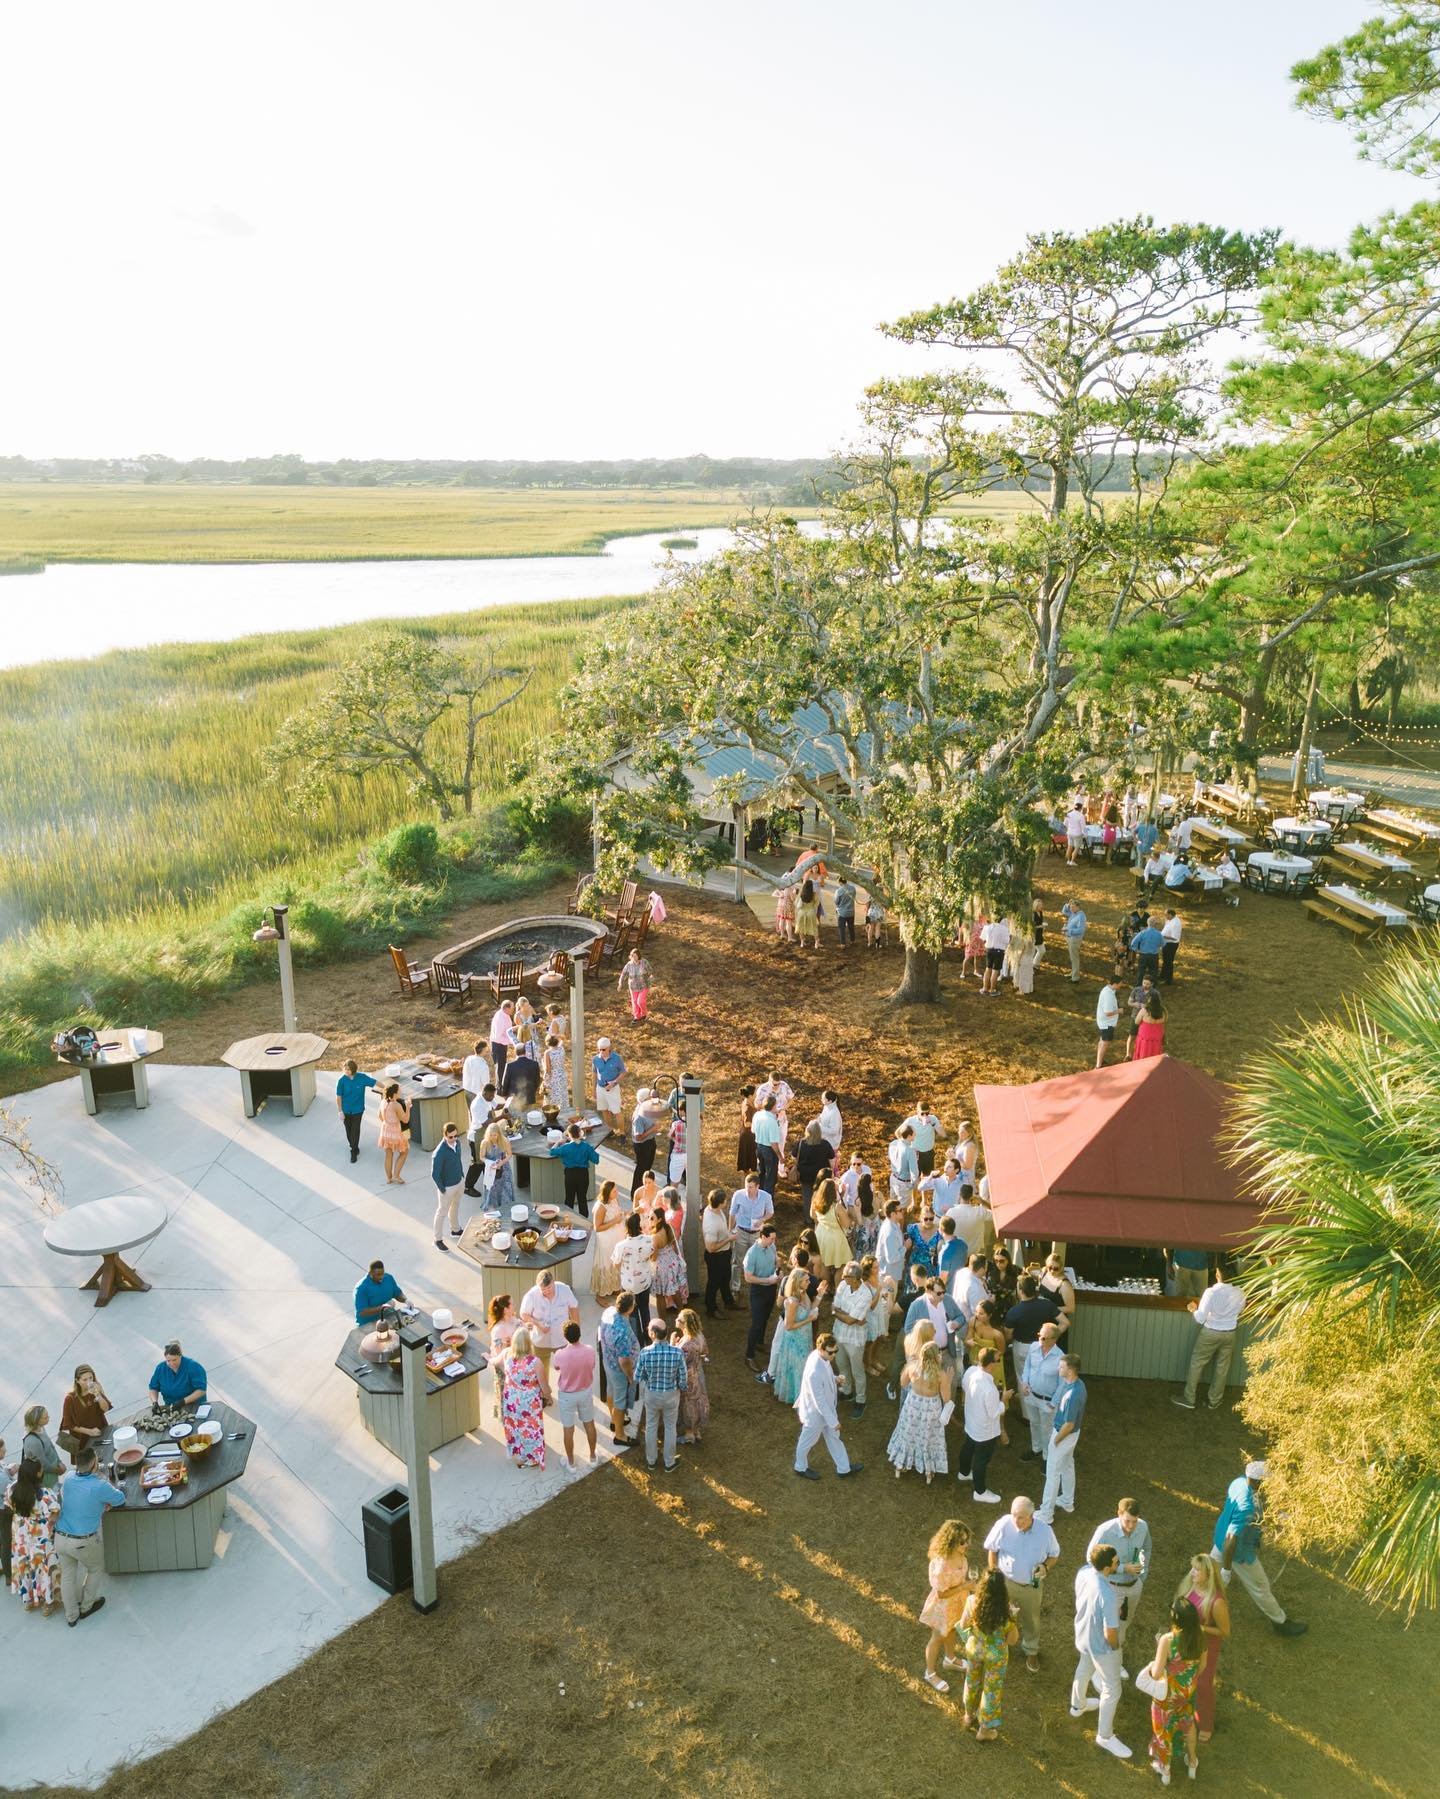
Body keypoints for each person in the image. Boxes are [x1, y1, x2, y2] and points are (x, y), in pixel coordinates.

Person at [1211, 1460, 1307, 1635]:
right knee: (1260, 1586)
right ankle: (1280, 1622)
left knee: (1205, 1573)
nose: (1271, 1485)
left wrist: (1279, 1516)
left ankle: (1186, 1600)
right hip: (1237, 1551)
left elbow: (1261, 1506)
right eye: (1267, 1482)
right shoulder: (1246, 1507)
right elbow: (1231, 1538)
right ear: (1257, 1482)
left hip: (1220, 1538)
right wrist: (1227, 1569)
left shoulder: (1239, 1482)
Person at [985, 1497, 1060, 1673]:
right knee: (1000, 1613)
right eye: (1014, 1516)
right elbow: (992, 1549)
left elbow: (1054, 1554)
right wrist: (993, 1575)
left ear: (1031, 1516)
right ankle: (999, 1644)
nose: (1016, 1521)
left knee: (1031, 1619)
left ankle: (1031, 1650)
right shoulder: (1004, 1524)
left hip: (1031, 1586)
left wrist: (1046, 1567)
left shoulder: (1045, 1531)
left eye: (1021, 1518)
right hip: (1006, 1582)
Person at [53, 1447, 126, 1626]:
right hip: (82, 1541)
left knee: (68, 1576)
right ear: (94, 1463)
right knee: (94, 1569)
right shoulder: (99, 1485)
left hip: (60, 1538)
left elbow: (76, 1501)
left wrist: (99, 1506)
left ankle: (71, 1616)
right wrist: (103, 1503)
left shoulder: (69, 1478)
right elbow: (120, 1499)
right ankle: (86, 1607)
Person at [1071, 1543, 1132, 1760]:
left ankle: (1077, 1705)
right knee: (1112, 1689)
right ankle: (1105, 1736)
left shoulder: (1084, 1571)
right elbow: (1111, 1633)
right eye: (1116, 1562)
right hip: (1102, 1646)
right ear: (1107, 1568)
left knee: (1084, 1667)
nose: (1118, 1564)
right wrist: (1115, 1650)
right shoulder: (1107, 1594)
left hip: (1083, 1634)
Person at [1088, 1497, 1152, 1669]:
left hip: (1134, 1586)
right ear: (1119, 1514)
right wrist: (1123, 1568)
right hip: (1112, 1588)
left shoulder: (1143, 1527)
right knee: (1109, 1626)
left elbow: (1147, 1547)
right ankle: (1100, 1666)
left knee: (1124, 1623)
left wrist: (1142, 1573)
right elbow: (1091, 1559)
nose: (1131, 1526)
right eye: (1127, 1521)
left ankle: (1114, 1658)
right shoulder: (1105, 1531)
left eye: (1135, 1521)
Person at [1146, 1598, 1204, 1784]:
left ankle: (1165, 1769)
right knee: (1188, 1724)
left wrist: (1154, 1661)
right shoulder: (1201, 1636)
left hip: (1167, 1693)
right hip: (1187, 1691)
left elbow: (1155, 1674)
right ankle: (1193, 1761)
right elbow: (1201, 1667)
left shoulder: (1168, 1640)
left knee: (1162, 1728)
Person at [960, 1567, 1021, 1740]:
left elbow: (964, 1624)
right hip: (996, 1655)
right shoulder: (1006, 1612)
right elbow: (1012, 1640)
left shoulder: (972, 1601)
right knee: (991, 1690)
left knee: (972, 1680)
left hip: (974, 1649)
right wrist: (1014, 1619)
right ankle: (984, 1730)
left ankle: (968, 1716)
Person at [1174, 1268, 1245, 1411]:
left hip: (1211, 1332)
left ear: (1218, 1275)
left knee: (1197, 1363)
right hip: (1230, 1333)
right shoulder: (1241, 1292)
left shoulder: (1211, 1292)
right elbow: (1240, 1311)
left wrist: (1194, 1308)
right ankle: (1214, 1401)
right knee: (1222, 1368)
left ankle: (1189, 1398)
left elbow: (1200, 1318)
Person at [918, 1518, 975, 1693]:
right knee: (937, 1638)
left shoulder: (961, 1555)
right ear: (951, 1542)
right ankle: (930, 1673)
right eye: (962, 1542)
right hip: (943, 1606)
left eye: (967, 1540)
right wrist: (965, 1586)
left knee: (951, 1630)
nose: (966, 1545)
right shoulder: (941, 1564)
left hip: (958, 1601)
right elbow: (942, 1593)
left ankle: (950, 1659)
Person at [794, 1334, 861, 1480]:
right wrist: (833, 1422)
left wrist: (835, 1379)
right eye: (831, 1352)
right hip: (815, 1415)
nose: (834, 1355)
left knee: (835, 1439)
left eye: (835, 1351)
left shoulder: (822, 1358)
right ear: (821, 1350)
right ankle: (800, 1467)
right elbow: (820, 1402)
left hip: (826, 1412)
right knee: (807, 1441)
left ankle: (844, 1468)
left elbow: (826, 1378)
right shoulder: (814, 1371)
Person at [1179, 1551, 1231, 1741]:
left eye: (1197, 1570)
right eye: (1193, 1568)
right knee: (1185, 1680)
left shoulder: (1217, 1602)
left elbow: (1225, 1632)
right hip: (1188, 1642)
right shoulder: (1190, 1587)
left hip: (1206, 1647)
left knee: (1203, 1685)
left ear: (1208, 1575)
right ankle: (1186, 1714)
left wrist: (1200, 1627)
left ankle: (1206, 1724)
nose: (1192, 1573)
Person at [888, 1334, 950, 1483]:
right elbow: (947, 1399)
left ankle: (900, 1466)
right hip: (931, 1408)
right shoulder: (940, 1374)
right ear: (937, 1356)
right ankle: (928, 1471)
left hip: (913, 1404)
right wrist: (949, 1379)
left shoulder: (912, 1367)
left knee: (908, 1432)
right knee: (929, 1437)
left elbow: (903, 1384)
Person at [6, 1456, 60, 1615]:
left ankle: (29, 1600)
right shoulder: (44, 1495)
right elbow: (55, 1513)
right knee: (44, 1568)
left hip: (20, 1536)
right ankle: (48, 1603)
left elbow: (9, 1506)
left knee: (26, 1567)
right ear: (37, 1474)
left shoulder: (11, 1489)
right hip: (40, 1538)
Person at [634, 1318, 688, 1472]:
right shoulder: (677, 1352)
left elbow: (637, 1377)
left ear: (653, 1334)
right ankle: (669, 1462)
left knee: (651, 1426)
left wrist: (648, 1378)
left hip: (652, 1394)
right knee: (670, 1427)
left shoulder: (645, 1352)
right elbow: (683, 1377)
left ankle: (651, 1461)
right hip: (671, 1394)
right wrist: (681, 1387)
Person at [1038, 1354, 1086, 1524]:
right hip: (1071, 1436)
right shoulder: (1076, 1384)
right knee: (1067, 1466)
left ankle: (1046, 1514)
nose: (1058, 1369)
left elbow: (1069, 1424)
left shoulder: (1073, 1394)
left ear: (1070, 1370)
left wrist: (1056, 1440)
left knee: (1052, 1474)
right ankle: (1067, 1501)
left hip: (1064, 1435)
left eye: (1061, 1367)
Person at [957, 1347, 1008, 1503]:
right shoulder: (990, 1389)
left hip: (971, 1420)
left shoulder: (971, 1371)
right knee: (981, 1459)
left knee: (968, 1447)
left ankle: (964, 1472)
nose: (999, 1363)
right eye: (998, 1360)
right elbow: (994, 1413)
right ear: (991, 1364)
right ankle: (980, 1491)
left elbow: (965, 1387)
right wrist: (1004, 1400)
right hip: (985, 1429)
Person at [1004, 1274, 1066, 1402]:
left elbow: (1008, 1335)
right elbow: (1065, 1322)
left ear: (1020, 1291)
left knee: (1023, 1378)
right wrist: (1050, 1338)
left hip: (1022, 1346)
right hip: (1043, 1346)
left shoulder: (1014, 1311)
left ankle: (1028, 1416)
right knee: (1043, 1377)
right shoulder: (1047, 1305)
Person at [1016, 1319, 1065, 1468]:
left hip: (1047, 1401)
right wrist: (1024, 1383)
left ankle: (1047, 1457)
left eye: (1044, 1338)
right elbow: (1028, 1367)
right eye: (1039, 1335)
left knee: (1047, 1430)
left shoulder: (1060, 1358)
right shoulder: (1034, 1347)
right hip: (1031, 1396)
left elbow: (1063, 1385)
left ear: (1054, 1339)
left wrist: (1053, 1403)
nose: (1040, 1340)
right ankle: (1036, 1449)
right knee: (1034, 1424)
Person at [552, 1320, 598, 1473]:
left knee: (568, 1428)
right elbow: (592, 1366)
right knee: (589, 1424)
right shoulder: (590, 1350)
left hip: (566, 1395)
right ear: (580, 1334)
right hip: (585, 1392)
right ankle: (592, 1457)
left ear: (565, 1337)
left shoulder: (560, 1354)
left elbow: (556, 1367)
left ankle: (571, 1463)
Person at [500, 1327, 550, 1469]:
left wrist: (488, 1357)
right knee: (530, 1429)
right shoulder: (535, 1362)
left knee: (515, 1427)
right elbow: (544, 1387)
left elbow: (498, 1364)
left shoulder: (507, 1356)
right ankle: (532, 1459)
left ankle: (517, 1453)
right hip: (528, 1404)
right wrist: (549, 1396)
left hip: (511, 1401)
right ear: (529, 1343)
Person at [598, 1292, 640, 1448]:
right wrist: (630, 1376)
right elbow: (624, 1360)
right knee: (620, 1401)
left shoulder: (609, 1311)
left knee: (610, 1391)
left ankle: (614, 1420)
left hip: (608, 1362)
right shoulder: (621, 1331)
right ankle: (620, 1435)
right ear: (629, 1309)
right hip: (618, 1369)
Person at [519, 1268, 579, 1376]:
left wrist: (576, 1334)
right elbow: (523, 1314)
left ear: (553, 1282)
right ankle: (545, 1393)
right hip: (540, 1342)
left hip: (562, 1340)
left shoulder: (564, 1290)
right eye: (543, 1289)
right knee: (540, 1374)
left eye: (549, 1287)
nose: (546, 1291)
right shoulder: (532, 1295)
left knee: (567, 1372)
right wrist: (538, 1324)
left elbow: (573, 1308)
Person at [830, 1261, 871, 1415]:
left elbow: (850, 1320)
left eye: (846, 1276)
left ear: (856, 1278)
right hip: (839, 1334)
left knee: (857, 1370)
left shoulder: (865, 1294)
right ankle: (846, 1391)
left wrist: (839, 1314)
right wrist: (846, 1315)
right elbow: (835, 1307)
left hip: (855, 1339)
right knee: (841, 1365)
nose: (842, 1277)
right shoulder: (842, 1285)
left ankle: (861, 1400)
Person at [743, 1223, 782, 1372]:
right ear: (763, 1237)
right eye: (771, 1239)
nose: (774, 1241)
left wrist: (778, 1272)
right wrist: (767, 1281)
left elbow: (775, 1261)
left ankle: (759, 1342)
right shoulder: (752, 1254)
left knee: (765, 1318)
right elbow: (748, 1278)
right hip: (758, 1291)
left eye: (774, 1239)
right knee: (757, 1323)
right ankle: (749, 1355)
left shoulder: (771, 1246)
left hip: (771, 1288)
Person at [729, 1172, 774, 1298]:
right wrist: (730, 1230)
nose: (748, 1190)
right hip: (741, 1232)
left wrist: (762, 1219)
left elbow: (770, 1212)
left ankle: (757, 1287)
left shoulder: (766, 1197)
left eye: (751, 1187)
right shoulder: (738, 1195)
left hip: (756, 1234)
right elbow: (732, 1213)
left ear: (757, 1186)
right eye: (746, 1186)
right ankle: (735, 1288)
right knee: (737, 1261)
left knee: (757, 1260)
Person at [612, 1213, 655, 1337]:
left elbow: (616, 1264)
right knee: (645, 1309)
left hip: (628, 1286)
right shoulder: (649, 1239)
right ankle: (648, 1336)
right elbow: (651, 1255)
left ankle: (637, 1340)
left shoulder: (621, 1246)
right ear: (639, 1224)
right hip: (644, 1282)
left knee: (632, 1314)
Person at [548, 1122, 600, 1217]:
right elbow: (596, 1159)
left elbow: (552, 1152)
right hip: (583, 1175)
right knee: (582, 1199)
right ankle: (584, 1221)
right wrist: (589, 1150)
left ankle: (568, 1220)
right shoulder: (586, 1147)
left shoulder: (566, 1147)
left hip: (570, 1175)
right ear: (580, 1133)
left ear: (569, 1134)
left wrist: (558, 1142)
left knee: (569, 1199)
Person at [674, 1309, 710, 1445]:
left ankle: (689, 1433)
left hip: (688, 1378)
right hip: (698, 1373)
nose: (676, 1320)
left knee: (688, 1403)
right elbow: (705, 1353)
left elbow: (677, 1361)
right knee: (698, 1400)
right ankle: (696, 1430)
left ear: (685, 1325)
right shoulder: (700, 1336)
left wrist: (673, 1344)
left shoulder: (686, 1344)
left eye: (679, 1319)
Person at [59, 1365, 111, 1459]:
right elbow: (68, 1424)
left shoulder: (96, 1389)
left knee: (106, 1457)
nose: (89, 1382)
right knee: (87, 1463)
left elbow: (106, 1408)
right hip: (82, 1440)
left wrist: (98, 1394)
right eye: (85, 1379)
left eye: (91, 1378)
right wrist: (89, 1431)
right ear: (77, 1381)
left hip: (100, 1433)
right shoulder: (70, 1399)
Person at [430, 1120, 466, 1250]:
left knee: (455, 1206)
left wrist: (462, 1176)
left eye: (456, 1136)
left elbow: (458, 1159)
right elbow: (435, 1174)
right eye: (450, 1137)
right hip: (447, 1188)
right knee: (441, 1213)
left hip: (459, 1182)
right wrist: (442, 1189)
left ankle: (455, 1230)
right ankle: (437, 1239)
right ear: (444, 1135)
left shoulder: (458, 1144)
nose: (454, 1139)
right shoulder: (439, 1153)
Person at [700, 1187, 735, 1317]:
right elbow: (710, 1248)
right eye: (725, 1200)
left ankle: (728, 1301)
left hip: (724, 1254)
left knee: (726, 1278)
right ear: (719, 1203)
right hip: (716, 1257)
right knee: (714, 1283)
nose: (727, 1202)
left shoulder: (711, 1209)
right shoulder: (711, 1224)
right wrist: (729, 1239)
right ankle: (711, 1309)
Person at [811, 1179, 851, 1288]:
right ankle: (837, 1288)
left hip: (820, 1234)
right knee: (842, 1265)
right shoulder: (836, 1206)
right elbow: (847, 1224)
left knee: (824, 1264)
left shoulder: (816, 1203)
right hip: (835, 1237)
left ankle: (826, 1288)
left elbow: (813, 1216)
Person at [335, 1059, 376, 1163]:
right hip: (346, 1111)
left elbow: (374, 1082)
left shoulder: (361, 1078)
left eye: (348, 1069)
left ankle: (353, 1151)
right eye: (345, 1069)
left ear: (353, 1070)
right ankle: (354, 1146)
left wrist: (387, 1088)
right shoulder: (341, 1080)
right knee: (348, 1131)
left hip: (358, 1110)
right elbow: (338, 1097)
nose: (346, 1071)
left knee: (355, 1130)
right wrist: (340, 1111)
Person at [649, 1218, 689, 1323]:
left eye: (652, 1218)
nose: (649, 1219)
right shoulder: (668, 1227)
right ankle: (683, 1316)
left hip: (662, 1267)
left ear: (658, 1219)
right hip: (672, 1262)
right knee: (675, 1290)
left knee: (660, 1294)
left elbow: (654, 1257)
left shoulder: (655, 1237)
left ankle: (662, 1322)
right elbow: (674, 1244)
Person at [148, 1341, 206, 1408]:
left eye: (174, 1360)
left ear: (180, 1356)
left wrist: (183, 1402)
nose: (171, 1364)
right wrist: (155, 1402)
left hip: (194, 1406)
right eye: (168, 1361)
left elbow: (201, 1390)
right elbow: (153, 1388)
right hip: (171, 1407)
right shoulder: (160, 1368)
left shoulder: (193, 1367)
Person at [488, 1294, 517, 1418]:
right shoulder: (498, 1330)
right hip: (505, 1370)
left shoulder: (513, 1319)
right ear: (506, 1309)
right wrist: (507, 1345)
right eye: (512, 1304)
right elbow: (499, 1354)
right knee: (506, 1398)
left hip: (516, 1365)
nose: (514, 1305)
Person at [476, 1121, 515, 1212]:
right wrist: (489, 1162)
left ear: (499, 1134)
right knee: (492, 1189)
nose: (493, 1137)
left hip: (504, 1168)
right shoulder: (485, 1143)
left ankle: (506, 1207)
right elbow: (481, 1157)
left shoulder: (504, 1141)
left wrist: (501, 1163)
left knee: (505, 1187)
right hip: (490, 1169)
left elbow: (509, 1154)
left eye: (495, 1135)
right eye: (491, 1135)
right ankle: (493, 1209)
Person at [1039, 1254, 1077, 1347]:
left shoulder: (1064, 1284)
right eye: (1050, 1267)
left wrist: (1051, 1309)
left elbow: (1071, 1308)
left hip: (1057, 1323)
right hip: (1042, 1322)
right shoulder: (1044, 1272)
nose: (1052, 1271)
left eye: (1055, 1268)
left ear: (1061, 1268)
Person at [377, 1082, 411, 1185]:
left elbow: (379, 1116)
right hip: (395, 1131)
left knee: (388, 1155)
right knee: (404, 1151)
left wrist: (388, 1121)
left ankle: (389, 1178)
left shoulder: (383, 1101)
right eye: (399, 1090)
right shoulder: (396, 1105)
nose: (401, 1092)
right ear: (395, 1093)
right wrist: (408, 1106)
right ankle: (396, 1175)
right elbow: (405, 1119)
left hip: (385, 1130)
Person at [795, 1123, 836, 1206]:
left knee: (807, 1198)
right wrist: (832, 1172)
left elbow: (794, 1157)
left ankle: (808, 1217)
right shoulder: (825, 1144)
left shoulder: (801, 1144)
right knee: (822, 1196)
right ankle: (820, 1217)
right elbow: (832, 1159)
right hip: (822, 1175)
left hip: (805, 1175)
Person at [353, 1259, 405, 1324]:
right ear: (370, 1273)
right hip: (369, 1323)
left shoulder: (388, 1278)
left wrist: (406, 1300)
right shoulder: (361, 1288)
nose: (381, 1277)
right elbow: (362, 1312)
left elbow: (397, 1293)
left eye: (383, 1274)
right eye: (378, 1274)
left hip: (388, 1317)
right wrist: (383, 1307)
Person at [751, 1095, 783, 1194]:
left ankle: (759, 1193)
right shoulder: (772, 1121)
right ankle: (768, 1200)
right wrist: (780, 1156)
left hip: (759, 1147)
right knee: (770, 1176)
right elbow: (773, 1143)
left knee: (762, 1173)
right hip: (769, 1150)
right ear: (773, 1106)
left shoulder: (757, 1115)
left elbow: (753, 1130)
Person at [950, 1250, 990, 1328]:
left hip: (958, 1317)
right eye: (986, 1266)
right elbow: (978, 1314)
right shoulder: (974, 1288)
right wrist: (990, 1301)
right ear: (982, 1269)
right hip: (968, 1325)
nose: (987, 1268)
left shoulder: (961, 1272)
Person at [903, 1103, 944, 1176]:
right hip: (915, 1154)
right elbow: (898, 1132)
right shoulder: (911, 1121)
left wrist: (933, 1124)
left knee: (929, 1178)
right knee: (915, 1178)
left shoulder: (933, 1119)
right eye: (922, 1114)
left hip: (928, 1154)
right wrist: (906, 1146)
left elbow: (942, 1134)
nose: (925, 1116)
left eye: (927, 1113)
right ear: (917, 1112)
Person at [591, 1035, 625, 1121]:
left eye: (603, 1049)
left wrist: (614, 1082)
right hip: (600, 1088)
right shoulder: (595, 1059)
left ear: (609, 1048)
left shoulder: (617, 1058)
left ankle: (621, 1133)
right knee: (604, 1110)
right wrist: (594, 1089)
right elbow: (594, 1074)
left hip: (613, 1089)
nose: (601, 1051)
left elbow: (623, 1072)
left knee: (617, 1112)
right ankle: (610, 1130)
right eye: (599, 1049)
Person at [616, 945, 653, 1020]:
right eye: (632, 956)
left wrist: (651, 976)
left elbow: (650, 971)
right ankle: (637, 1016)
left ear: (638, 956)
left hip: (644, 985)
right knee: (635, 1002)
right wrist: (620, 983)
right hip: (633, 987)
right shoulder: (629, 965)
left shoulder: (644, 962)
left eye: (635, 956)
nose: (633, 958)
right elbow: (623, 974)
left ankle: (644, 1014)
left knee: (640, 1001)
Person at [980, 915, 1011, 996]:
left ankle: (984, 988)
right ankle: (992, 990)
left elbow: (982, 938)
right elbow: (1007, 941)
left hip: (989, 950)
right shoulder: (1004, 929)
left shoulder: (987, 927)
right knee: (995, 971)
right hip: (999, 951)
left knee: (988, 969)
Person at [1095, 977, 1121, 1069]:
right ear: (1114, 984)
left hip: (1103, 1022)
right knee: (1105, 1043)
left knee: (1102, 1041)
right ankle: (1098, 1065)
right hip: (1107, 1024)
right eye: (1119, 984)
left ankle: (1100, 1059)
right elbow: (1108, 1012)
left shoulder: (1107, 989)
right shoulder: (1108, 995)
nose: (1120, 986)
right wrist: (1119, 1011)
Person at [489, 999, 517, 1082]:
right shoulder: (500, 1019)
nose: (513, 1010)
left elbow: (506, 1031)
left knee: (502, 1065)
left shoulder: (505, 1014)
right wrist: (511, 1042)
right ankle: (499, 1088)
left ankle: (501, 1083)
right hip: (498, 1045)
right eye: (512, 1008)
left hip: (502, 1044)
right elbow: (498, 1037)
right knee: (500, 1067)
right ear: (506, 1008)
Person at [1130, 917, 1165, 983]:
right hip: (1154, 955)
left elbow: (1133, 943)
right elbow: (1163, 944)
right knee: (1153, 972)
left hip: (1143, 955)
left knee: (1141, 971)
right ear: (1155, 924)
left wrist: (1136, 950)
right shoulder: (1159, 934)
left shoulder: (1143, 933)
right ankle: (1153, 986)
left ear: (1147, 923)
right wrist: (1157, 947)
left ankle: (1139, 986)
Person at [1132, 994, 1167, 1060]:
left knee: (1143, 1052)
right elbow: (1164, 1022)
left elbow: (1136, 1022)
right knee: (1155, 1051)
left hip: (1145, 1036)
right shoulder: (1163, 1011)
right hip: (1157, 1035)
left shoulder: (1145, 1010)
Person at [1062, 900, 1087, 981]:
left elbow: (1081, 930)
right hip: (1070, 938)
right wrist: (1067, 904)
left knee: (1074, 958)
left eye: (1073, 907)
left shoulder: (1081, 916)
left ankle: (1075, 977)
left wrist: (1068, 931)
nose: (1071, 908)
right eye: (1071, 907)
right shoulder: (1073, 913)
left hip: (1075, 939)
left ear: (1078, 907)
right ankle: (1073, 973)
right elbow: (1064, 911)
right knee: (1072, 957)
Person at [736, 1084, 758, 1176]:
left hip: (750, 1134)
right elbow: (747, 1123)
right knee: (747, 1155)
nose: (757, 1094)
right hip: (747, 1135)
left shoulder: (749, 1102)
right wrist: (758, 1125)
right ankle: (747, 1174)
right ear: (750, 1095)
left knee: (750, 1154)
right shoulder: (747, 1107)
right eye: (755, 1093)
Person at [542, 1034, 568, 1111]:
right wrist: (557, 1035)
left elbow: (548, 1069)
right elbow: (563, 1038)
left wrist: (543, 1065)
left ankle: (553, 1111)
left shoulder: (548, 1052)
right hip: (562, 1075)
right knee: (562, 1094)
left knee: (552, 1096)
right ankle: (563, 1110)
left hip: (553, 1077)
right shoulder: (561, 1049)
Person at [960, 911, 987, 982]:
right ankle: (963, 972)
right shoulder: (969, 919)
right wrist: (961, 940)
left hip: (980, 943)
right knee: (967, 957)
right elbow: (961, 929)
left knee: (977, 957)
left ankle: (976, 971)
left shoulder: (983, 920)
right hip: (971, 942)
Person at [795, 877, 820, 949]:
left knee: (801, 928)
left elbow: (796, 903)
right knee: (814, 928)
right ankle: (816, 943)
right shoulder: (814, 894)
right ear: (812, 886)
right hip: (811, 912)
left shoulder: (801, 893)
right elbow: (817, 904)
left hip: (801, 912)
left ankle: (802, 943)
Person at [1160, 908, 1183, 983]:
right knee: (1165, 960)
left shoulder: (1176, 923)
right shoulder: (1169, 920)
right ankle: (1162, 975)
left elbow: (1174, 938)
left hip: (1171, 944)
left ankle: (1168, 979)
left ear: (1170, 914)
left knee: (1169, 961)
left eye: (1166, 915)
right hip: (1166, 943)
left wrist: (1162, 936)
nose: (1165, 916)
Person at [832, 878, 857, 946]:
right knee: (851, 926)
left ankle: (843, 943)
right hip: (851, 911)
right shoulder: (853, 888)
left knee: (842, 928)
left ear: (840, 882)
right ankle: (853, 940)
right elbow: (854, 897)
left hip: (842, 912)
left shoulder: (839, 891)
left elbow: (836, 901)